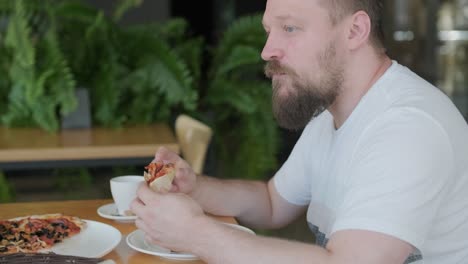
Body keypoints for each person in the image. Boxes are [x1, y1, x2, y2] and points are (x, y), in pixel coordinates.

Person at [131, 0, 468, 263]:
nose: (267, 50)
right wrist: (195, 187)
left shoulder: (408, 130)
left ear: (354, 31)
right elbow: (272, 203)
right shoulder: (330, 116)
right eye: (269, 30)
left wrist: (194, 232)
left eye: (289, 28)